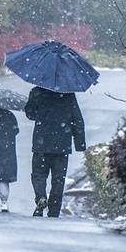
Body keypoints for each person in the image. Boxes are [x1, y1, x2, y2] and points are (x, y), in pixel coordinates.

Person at [24, 85, 85, 217]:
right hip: (62, 145)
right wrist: (80, 143)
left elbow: (30, 113)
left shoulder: (37, 91)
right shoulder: (68, 94)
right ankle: (54, 211)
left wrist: (39, 112)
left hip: (41, 143)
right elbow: (77, 119)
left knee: (38, 174)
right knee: (58, 180)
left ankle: (40, 197)